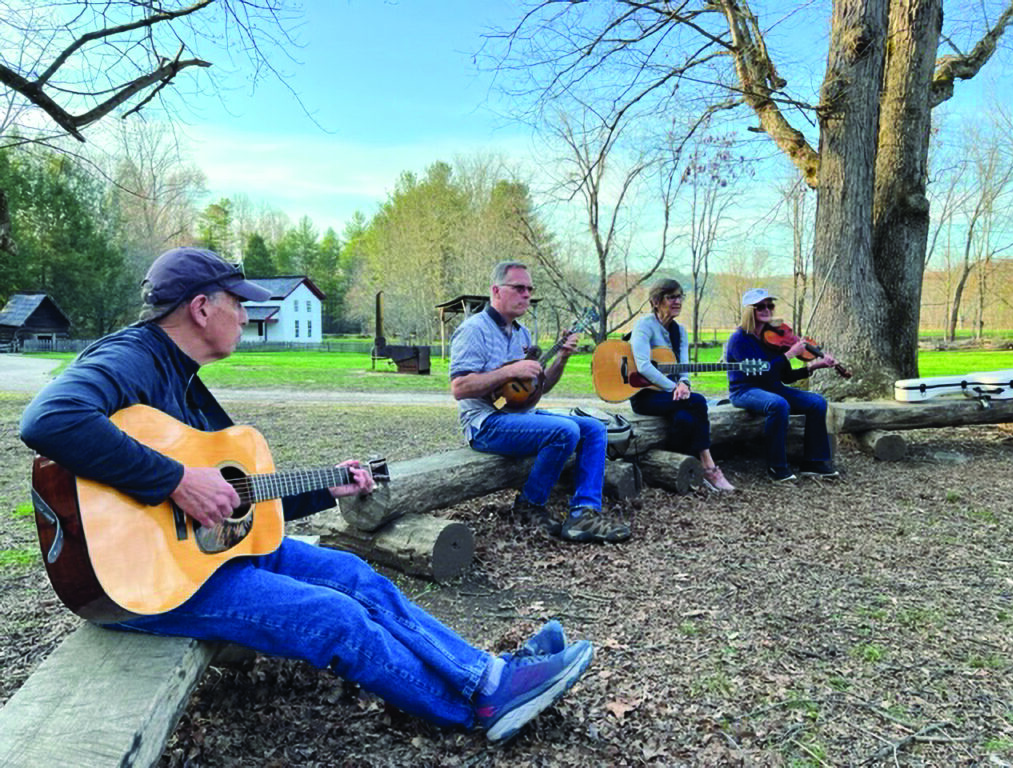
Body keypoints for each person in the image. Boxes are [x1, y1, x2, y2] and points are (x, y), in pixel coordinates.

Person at [20, 247, 593, 743]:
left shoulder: (180, 376)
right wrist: (175, 480)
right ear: (201, 308)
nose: (246, 314)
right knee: (335, 616)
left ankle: (488, 677)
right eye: (238, 303)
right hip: (144, 582)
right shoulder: (130, 356)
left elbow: (236, 496)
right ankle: (472, 708)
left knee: (355, 575)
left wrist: (324, 487)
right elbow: (50, 418)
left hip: (206, 554)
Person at [449, 260, 629, 544]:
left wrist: (562, 357)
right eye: (519, 288)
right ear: (496, 290)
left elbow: (538, 389)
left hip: (519, 416)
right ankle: (529, 505)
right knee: (565, 431)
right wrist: (509, 371)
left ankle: (584, 512)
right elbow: (459, 388)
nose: (526, 295)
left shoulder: (523, 333)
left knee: (595, 428)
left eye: (529, 289)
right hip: (484, 423)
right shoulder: (475, 330)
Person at [628, 278, 735, 492]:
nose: (677, 301)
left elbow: (684, 366)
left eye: (680, 296)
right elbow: (643, 366)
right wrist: (674, 387)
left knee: (685, 419)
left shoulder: (680, 331)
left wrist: (684, 382)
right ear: (656, 301)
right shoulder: (644, 325)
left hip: (673, 395)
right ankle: (709, 467)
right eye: (671, 297)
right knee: (698, 401)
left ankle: (676, 464)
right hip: (645, 395)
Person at [724, 288, 839, 482]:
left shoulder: (772, 338)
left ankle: (814, 461)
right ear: (749, 310)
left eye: (770, 305)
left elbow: (785, 376)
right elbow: (761, 372)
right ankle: (777, 466)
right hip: (745, 390)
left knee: (817, 402)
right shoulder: (739, 339)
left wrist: (814, 366)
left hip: (773, 388)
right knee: (778, 404)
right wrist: (790, 354)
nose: (767, 309)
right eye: (760, 306)